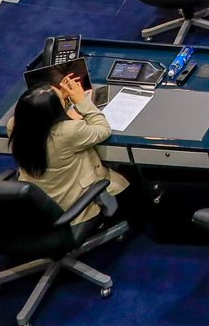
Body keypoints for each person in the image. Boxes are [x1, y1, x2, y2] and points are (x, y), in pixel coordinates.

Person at [8, 73, 128, 222]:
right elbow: (103, 130)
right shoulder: (69, 131)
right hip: (71, 207)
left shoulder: (15, 126)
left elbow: (40, 119)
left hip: (38, 204)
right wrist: (82, 102)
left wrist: (58, 100)